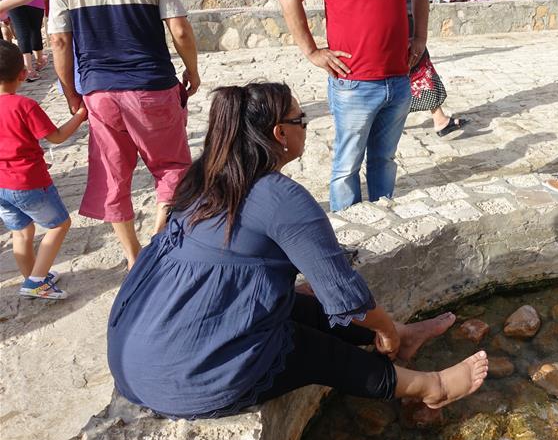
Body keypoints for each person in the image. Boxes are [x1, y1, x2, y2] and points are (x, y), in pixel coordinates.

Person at [107, 83, 488, 419]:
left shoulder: (206, 174)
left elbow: (224, 269)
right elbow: (343, 293)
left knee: (292, 303)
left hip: (133, 354)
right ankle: (429, 386)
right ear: (280, 133)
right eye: (301, 119)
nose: (306, 125)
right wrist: (383, 328)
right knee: (305, 349)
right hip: (186, 379)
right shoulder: (282, 198)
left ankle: (405, 336)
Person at [48, 0, 200, 269]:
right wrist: (192, 71)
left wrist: (72, 95)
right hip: (153, 86)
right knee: (171, 167)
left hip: (100, 92)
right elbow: (179, 29)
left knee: (113, 177)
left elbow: (59, 40)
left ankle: (133, 258)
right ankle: (161, 240)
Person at [279, 0, 429, 211]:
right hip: (354, 83)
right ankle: (348, 238)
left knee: (385, 160)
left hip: (398, 79)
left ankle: (384, 225)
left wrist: (419, 37)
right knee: (346, 167)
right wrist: (313, 51)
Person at [0, 40, 87, 299]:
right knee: (60, 224)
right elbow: (57, 137)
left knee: (22, 231)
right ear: (23, 74)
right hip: (28, 182)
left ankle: (34, 276)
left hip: (1, 186)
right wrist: (81, 115)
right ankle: (36, 281)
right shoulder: (24, 105)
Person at [398, 0, 467, 137]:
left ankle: (439, 118)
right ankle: (437, 119)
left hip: (410, 27)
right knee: (415, 72)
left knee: (420, 71)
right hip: (402, 29)